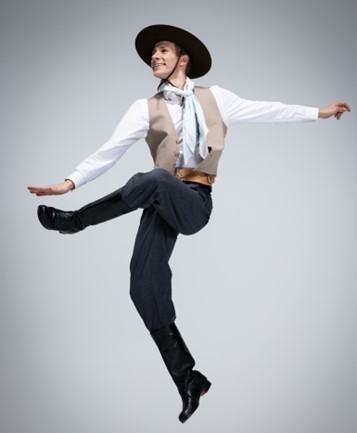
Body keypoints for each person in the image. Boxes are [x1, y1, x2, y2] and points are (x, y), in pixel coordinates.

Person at [28, 24, 351, 423]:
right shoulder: (143, 108)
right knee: (142, 284)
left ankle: (76, 222)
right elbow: (108, 152)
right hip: (157, 200)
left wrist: (318, 112)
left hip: (194, 201)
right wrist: (70, 181)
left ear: (183, 58)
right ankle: (188, 378)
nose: (154, 57)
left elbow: (268, 109)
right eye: (152, 53)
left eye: (162, 50)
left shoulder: (216, 98)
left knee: (157, 179)